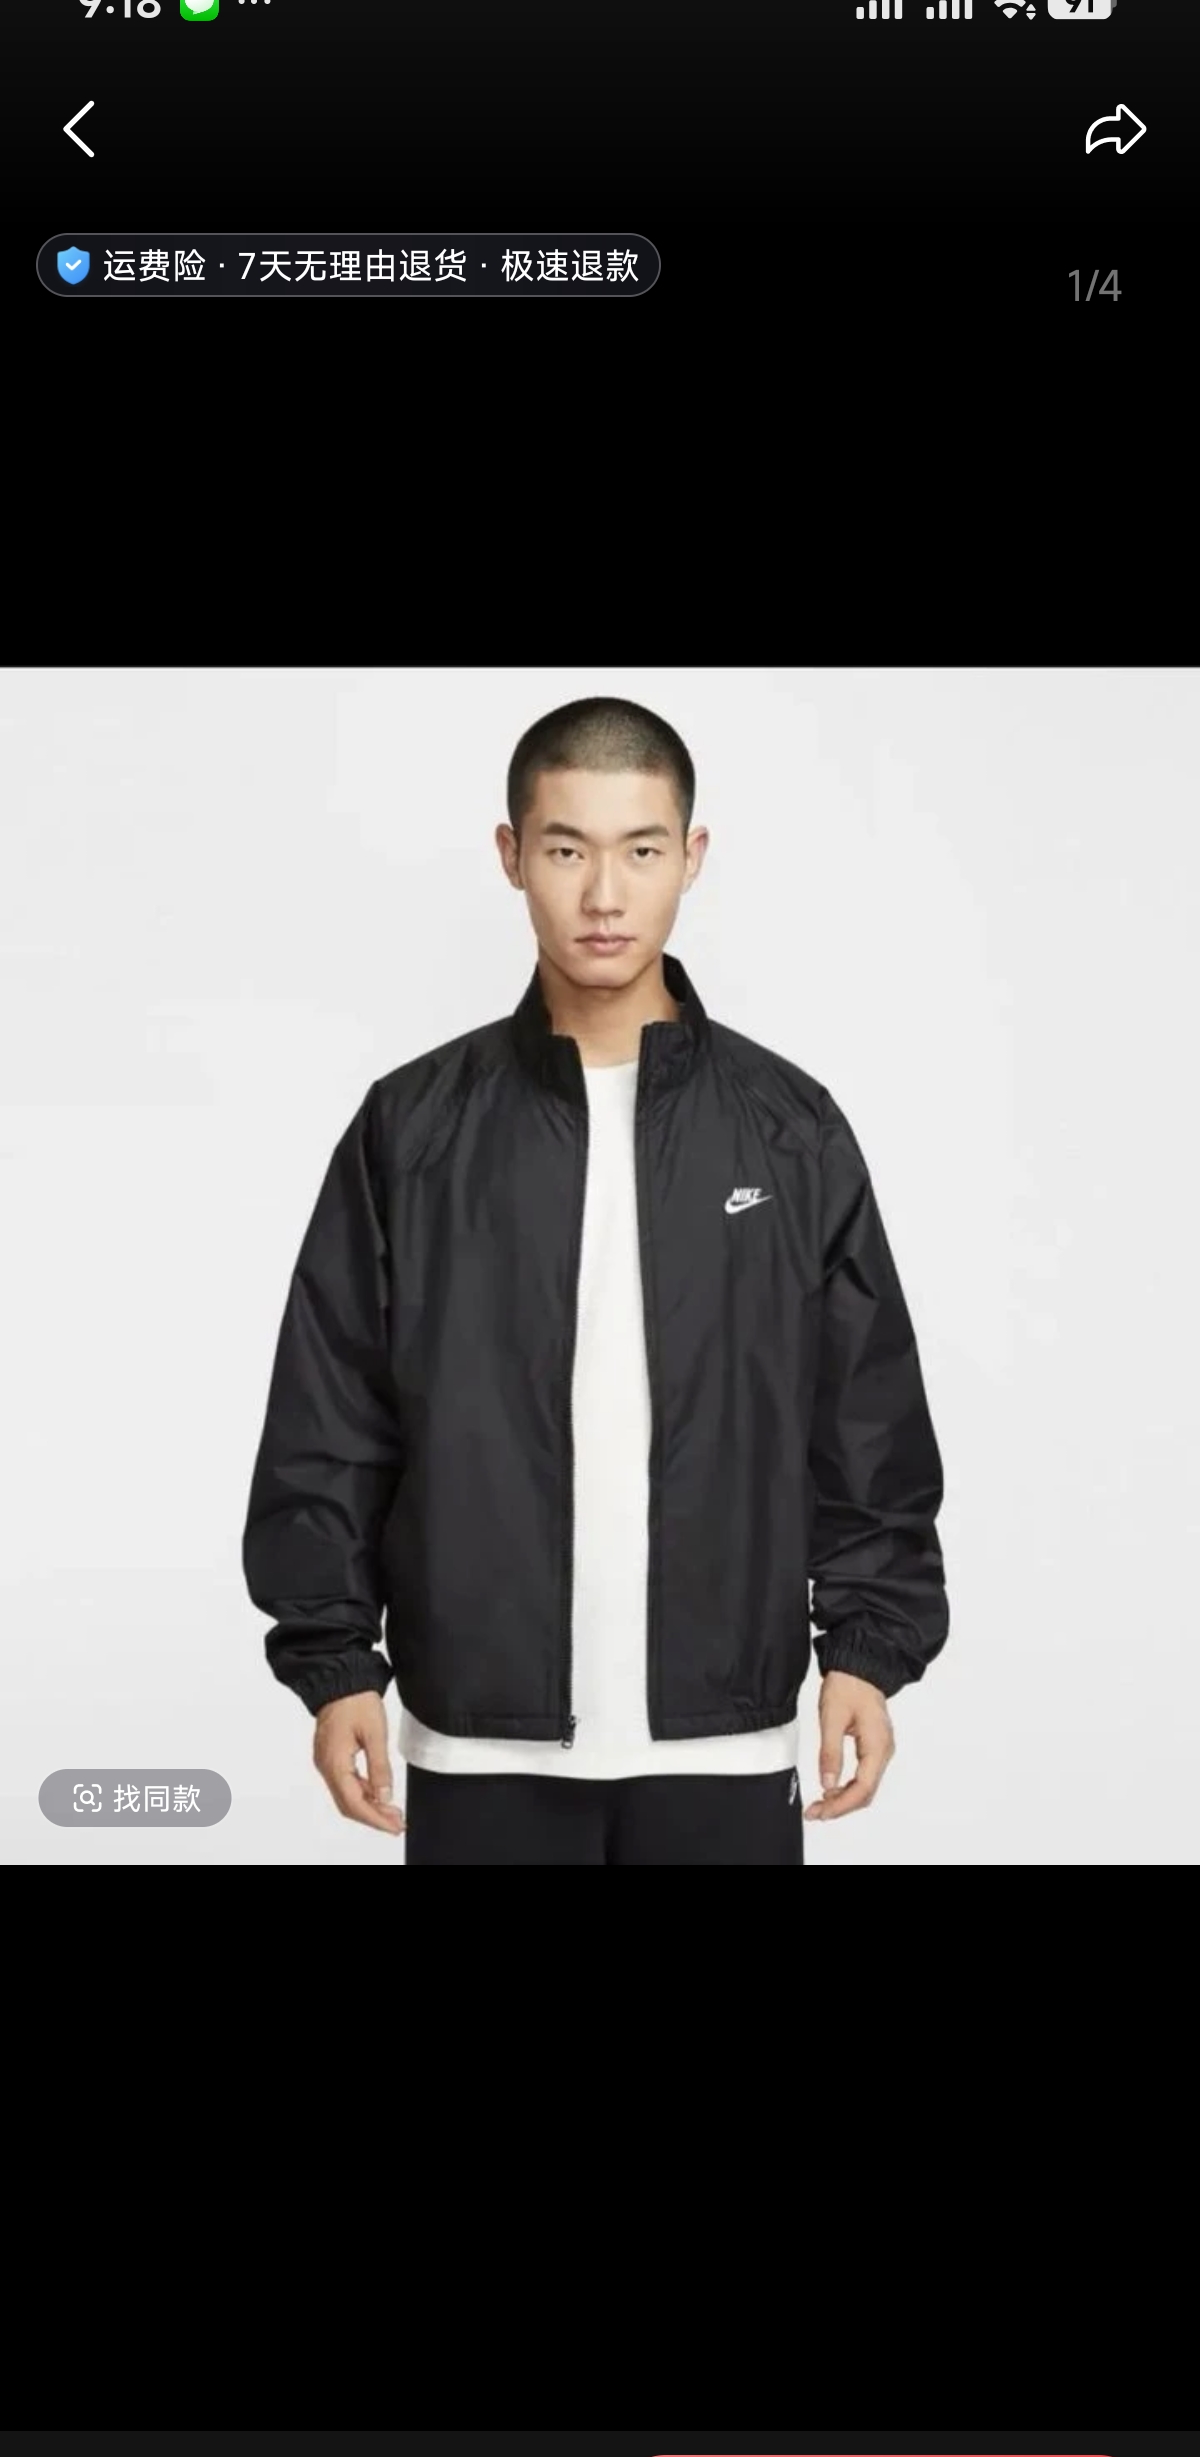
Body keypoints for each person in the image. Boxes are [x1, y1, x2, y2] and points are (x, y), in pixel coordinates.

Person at [241, 696, 949, 1863]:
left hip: (727, 1741)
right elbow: (331, 1413)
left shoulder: (789, 1131)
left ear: (693, 857)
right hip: (479, 1744)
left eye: (642, 850)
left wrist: (867, 1651)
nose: (606, 895)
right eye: (568, 850)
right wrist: (335, 1664)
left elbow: (863, 1416)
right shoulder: (413, 1130)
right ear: (512, 855)